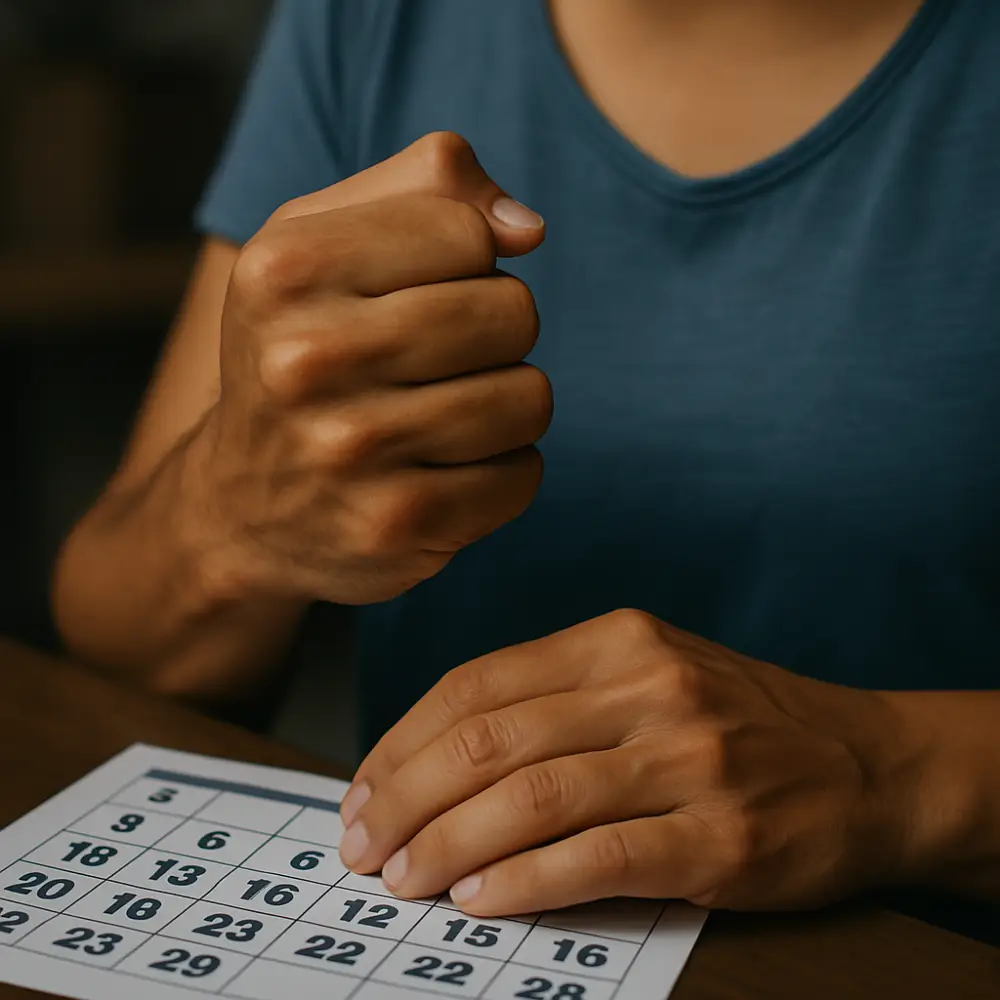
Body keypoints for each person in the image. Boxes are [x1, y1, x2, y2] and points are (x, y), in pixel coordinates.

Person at [53, 0, 1000, 941]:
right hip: (442, 934)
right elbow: (120, 650)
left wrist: (892, 778)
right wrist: (229, 513)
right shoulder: (366, 20)